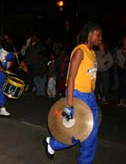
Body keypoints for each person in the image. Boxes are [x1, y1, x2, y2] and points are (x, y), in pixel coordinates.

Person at [43, 21, 102, 163]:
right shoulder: (80, 51)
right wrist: (69, 105)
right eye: (98, 35)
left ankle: (83, 160)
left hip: (90, 96)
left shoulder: (92, 53)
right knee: (79, 133)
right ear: (90, 34)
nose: (100, 38)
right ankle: (53, 143)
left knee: (91, 134)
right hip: (78, 96)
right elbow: (71, 79)